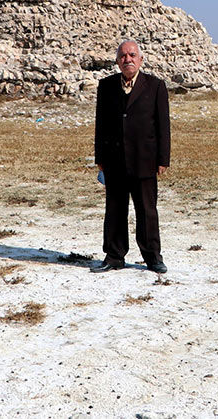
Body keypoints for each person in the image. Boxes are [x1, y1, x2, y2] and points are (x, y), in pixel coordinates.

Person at [92, 40, 171, 273]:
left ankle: (153, 257)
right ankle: (114, 256)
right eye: (123, 56)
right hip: (115, 159)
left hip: (144, 159)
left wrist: (162, 159)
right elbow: (101, 124)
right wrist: (100, 157)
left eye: (132, 55)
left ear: (141, 60)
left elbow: (163, 126)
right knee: (115, 209)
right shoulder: (106, 86)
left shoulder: (155, 86)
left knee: (147, 210)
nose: (128, 59)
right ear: (117, 61)